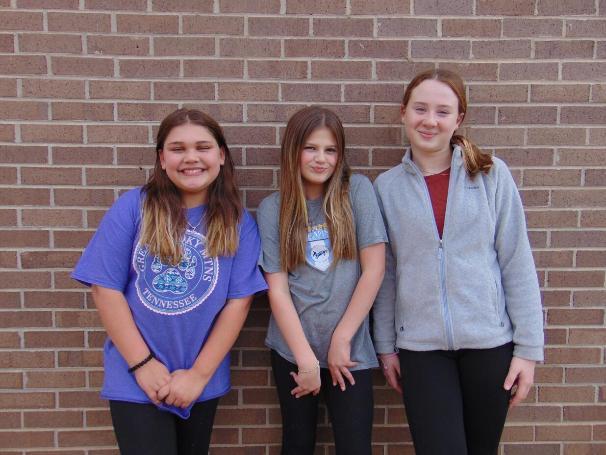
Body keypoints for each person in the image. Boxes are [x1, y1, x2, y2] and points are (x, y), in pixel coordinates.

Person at [72, 108, 267, 455]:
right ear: (162, 159)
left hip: (200, 380)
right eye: (178, 149)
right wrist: (143, 365)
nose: (191, 157)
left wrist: (198, 375)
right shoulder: (134, 207)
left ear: (221, 156)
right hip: (135, 378)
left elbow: (239, 303)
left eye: (203, 147)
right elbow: (105, 289)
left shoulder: (237, 221)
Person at [372, 69, 544, 455]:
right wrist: (385, 347)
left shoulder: (490, 175)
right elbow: (386, 274)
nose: (430, 120)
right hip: (421, 349)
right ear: (403, 113)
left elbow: (516, 262)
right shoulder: (386, 188)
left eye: (442, 111)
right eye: (420, 108)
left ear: (458, 118)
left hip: (490, 345)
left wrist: (528, 351)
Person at [256, 106, 387, 455]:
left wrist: (342, 339)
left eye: (330, 150)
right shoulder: (273, 209)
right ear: (292, 150)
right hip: (293, 349)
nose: (321, 159)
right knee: (297, 444)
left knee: (355, 446)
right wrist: (306, 360)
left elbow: (374, 270)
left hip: (350, 350)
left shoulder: (357, 192)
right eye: (311, 148)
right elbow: (278, 290)